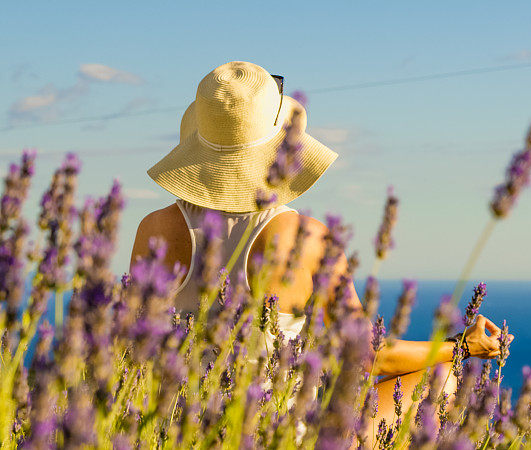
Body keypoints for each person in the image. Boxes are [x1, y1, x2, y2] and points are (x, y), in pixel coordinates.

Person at [130, 61, 511, 444]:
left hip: (180, 433)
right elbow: (368, 357)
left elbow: (133, 350)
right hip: (283, 437)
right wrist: (461, 345)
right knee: (445, 377)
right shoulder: (307, 238)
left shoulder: (154, 230)